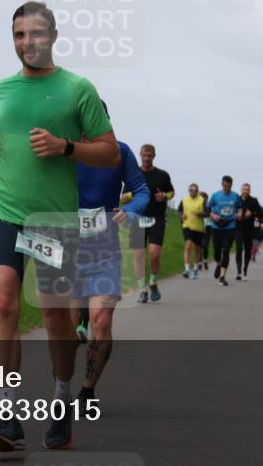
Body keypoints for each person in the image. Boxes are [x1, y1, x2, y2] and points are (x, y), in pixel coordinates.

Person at [0, 1, 120, 451]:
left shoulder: (78, 89)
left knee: (54, 315)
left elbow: (109, 152)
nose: (26, 43)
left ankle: (62, 398)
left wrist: (66, 147)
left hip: (53, 220)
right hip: (4, 210)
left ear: (52, 36)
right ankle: (8, 414)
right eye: (18, 36)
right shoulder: (0, 90)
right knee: (4, 303)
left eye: (34, 34)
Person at [71, 101, 149, 417]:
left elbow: (141, 190)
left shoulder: (121, 152)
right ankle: (61, 386)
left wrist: (129, 210)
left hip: (104, 246)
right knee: (62, 326)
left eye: (98, 118)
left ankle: (87, 390)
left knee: (101, 320)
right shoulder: (65, 150)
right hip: (66, 243)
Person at [128, 144, 174, 302]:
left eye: (150, 155)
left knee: (154, 254)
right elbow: (124, 196)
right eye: (144, 155)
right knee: (139, 256)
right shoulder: (132, 174)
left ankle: (153, 282)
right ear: (140, 155)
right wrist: (135, 194)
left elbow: (171, 192)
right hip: (137, 219)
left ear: (154, 156)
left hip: (156, 219)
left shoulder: (162, 175)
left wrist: (165, 197)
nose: (147, 158)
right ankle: (142, 289)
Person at [205, 175, 241, 286]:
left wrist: (239, 213)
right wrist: (212, 215)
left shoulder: (235, 196)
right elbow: (207, 208)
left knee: (226, 250)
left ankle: (222, 276)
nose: (227, 188)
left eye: (229, 186)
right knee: (217, 252)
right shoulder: (215, 195)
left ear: (232, 185)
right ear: (222, 184)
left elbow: (240, 207)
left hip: (230, 226)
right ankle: (218, 263)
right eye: (225, 186)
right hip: (217, 226)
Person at [234, 183, 262, 281]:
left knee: (247, 251)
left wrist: (252, 213)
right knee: (238, 248)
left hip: (249, 230)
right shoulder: (236, 199)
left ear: (250, 191)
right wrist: (236, 214)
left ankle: (245, 269)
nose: (246, 191)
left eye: (247, 189)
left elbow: (260, 213)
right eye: (244, 189)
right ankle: (238, 272)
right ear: (241, 190)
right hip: (238, 228)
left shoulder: (254, 201)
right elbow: (231, 211)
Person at [179, 183, 206, 280]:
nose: (193, 191)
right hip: (187, 226)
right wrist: (181, 215)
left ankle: (195, 268)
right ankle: (187, 269)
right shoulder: (184, 200)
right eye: (191, 190)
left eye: (195, 190)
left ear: (198, 191)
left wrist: (200, 213)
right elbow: (179, 211)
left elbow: (207, 213)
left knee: (197, 249)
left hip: (198, 228)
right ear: (188, 190)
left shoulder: (202, 200)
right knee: (188, 245)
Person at [199, 191, 213, 270]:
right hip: (200, 227)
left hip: (209, 227)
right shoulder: (197, 206)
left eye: (205, 199)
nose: (203, 200)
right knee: (200, 246)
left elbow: (213, 215)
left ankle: (205, 260)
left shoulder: (209, 207)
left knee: (205, 245)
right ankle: (200, 262)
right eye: (201, 198)